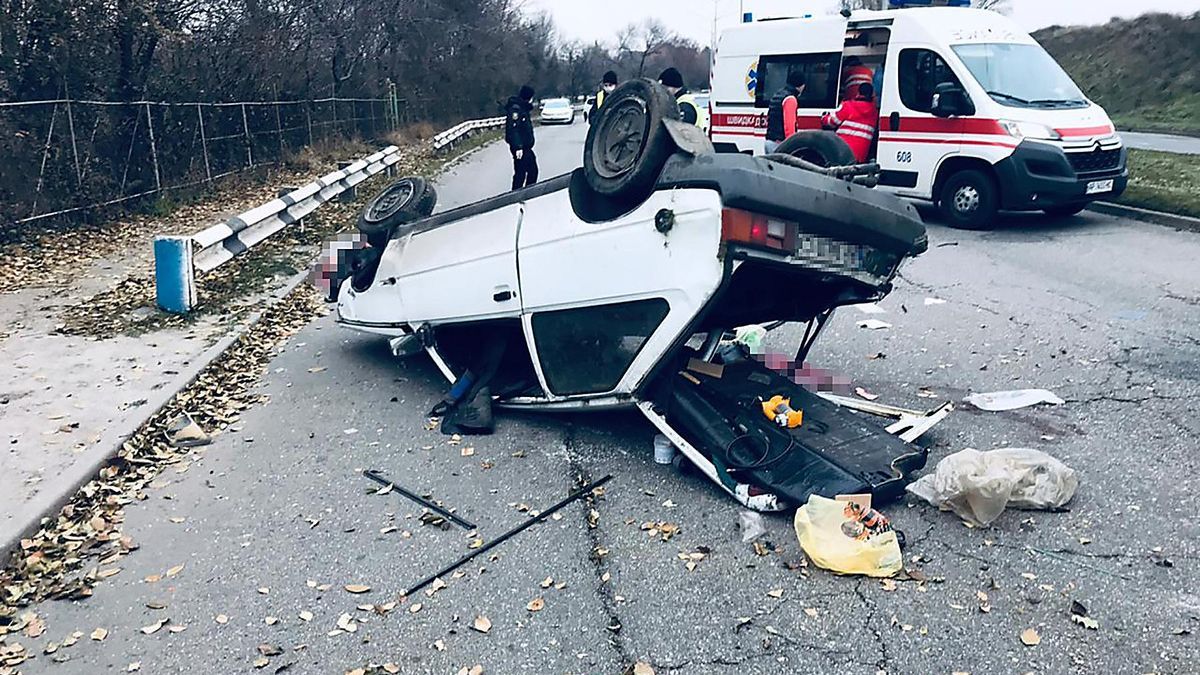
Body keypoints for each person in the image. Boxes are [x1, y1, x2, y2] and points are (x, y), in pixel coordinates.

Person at [820, 82, 879, 163]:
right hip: (860, 156)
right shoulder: (874, 112)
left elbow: (833, 122)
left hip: (841, 150)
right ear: (872, 95)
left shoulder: (848, 105)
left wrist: (824, 118)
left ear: (858, 92)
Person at [764, 69, 806, 154]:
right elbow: (789, 127)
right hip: (780, 145)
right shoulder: (790, 99)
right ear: (801, 85)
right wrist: (792, 147)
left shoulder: (778, 94)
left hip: (770, 141)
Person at [505, 85, 537, 191]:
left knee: (532, 171)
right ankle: (516, 195)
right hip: (520, 148)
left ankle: (527, 192)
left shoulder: (523, 109)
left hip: (526, 147)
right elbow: (513, 130)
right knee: (521, 173)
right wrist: (518, 147)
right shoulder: (516, 110)